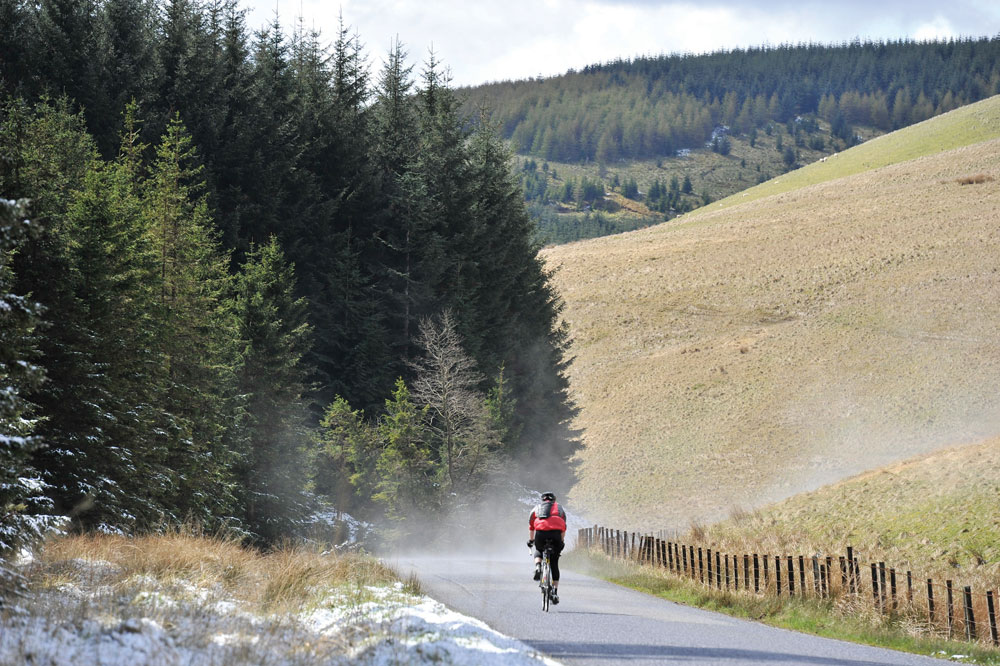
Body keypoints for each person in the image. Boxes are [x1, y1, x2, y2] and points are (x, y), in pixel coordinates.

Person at [527, 491, 566, 604]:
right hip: (556, 534)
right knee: (554, 562)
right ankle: (554, 591)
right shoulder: (559, 508)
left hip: (541, 533)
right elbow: (564, 527)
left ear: (542, 500)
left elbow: (531, 526)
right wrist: (561, 542)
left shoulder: (537, 508)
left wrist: (531, 540)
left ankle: (538, 566)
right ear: (554, 500)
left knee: (538, 550)